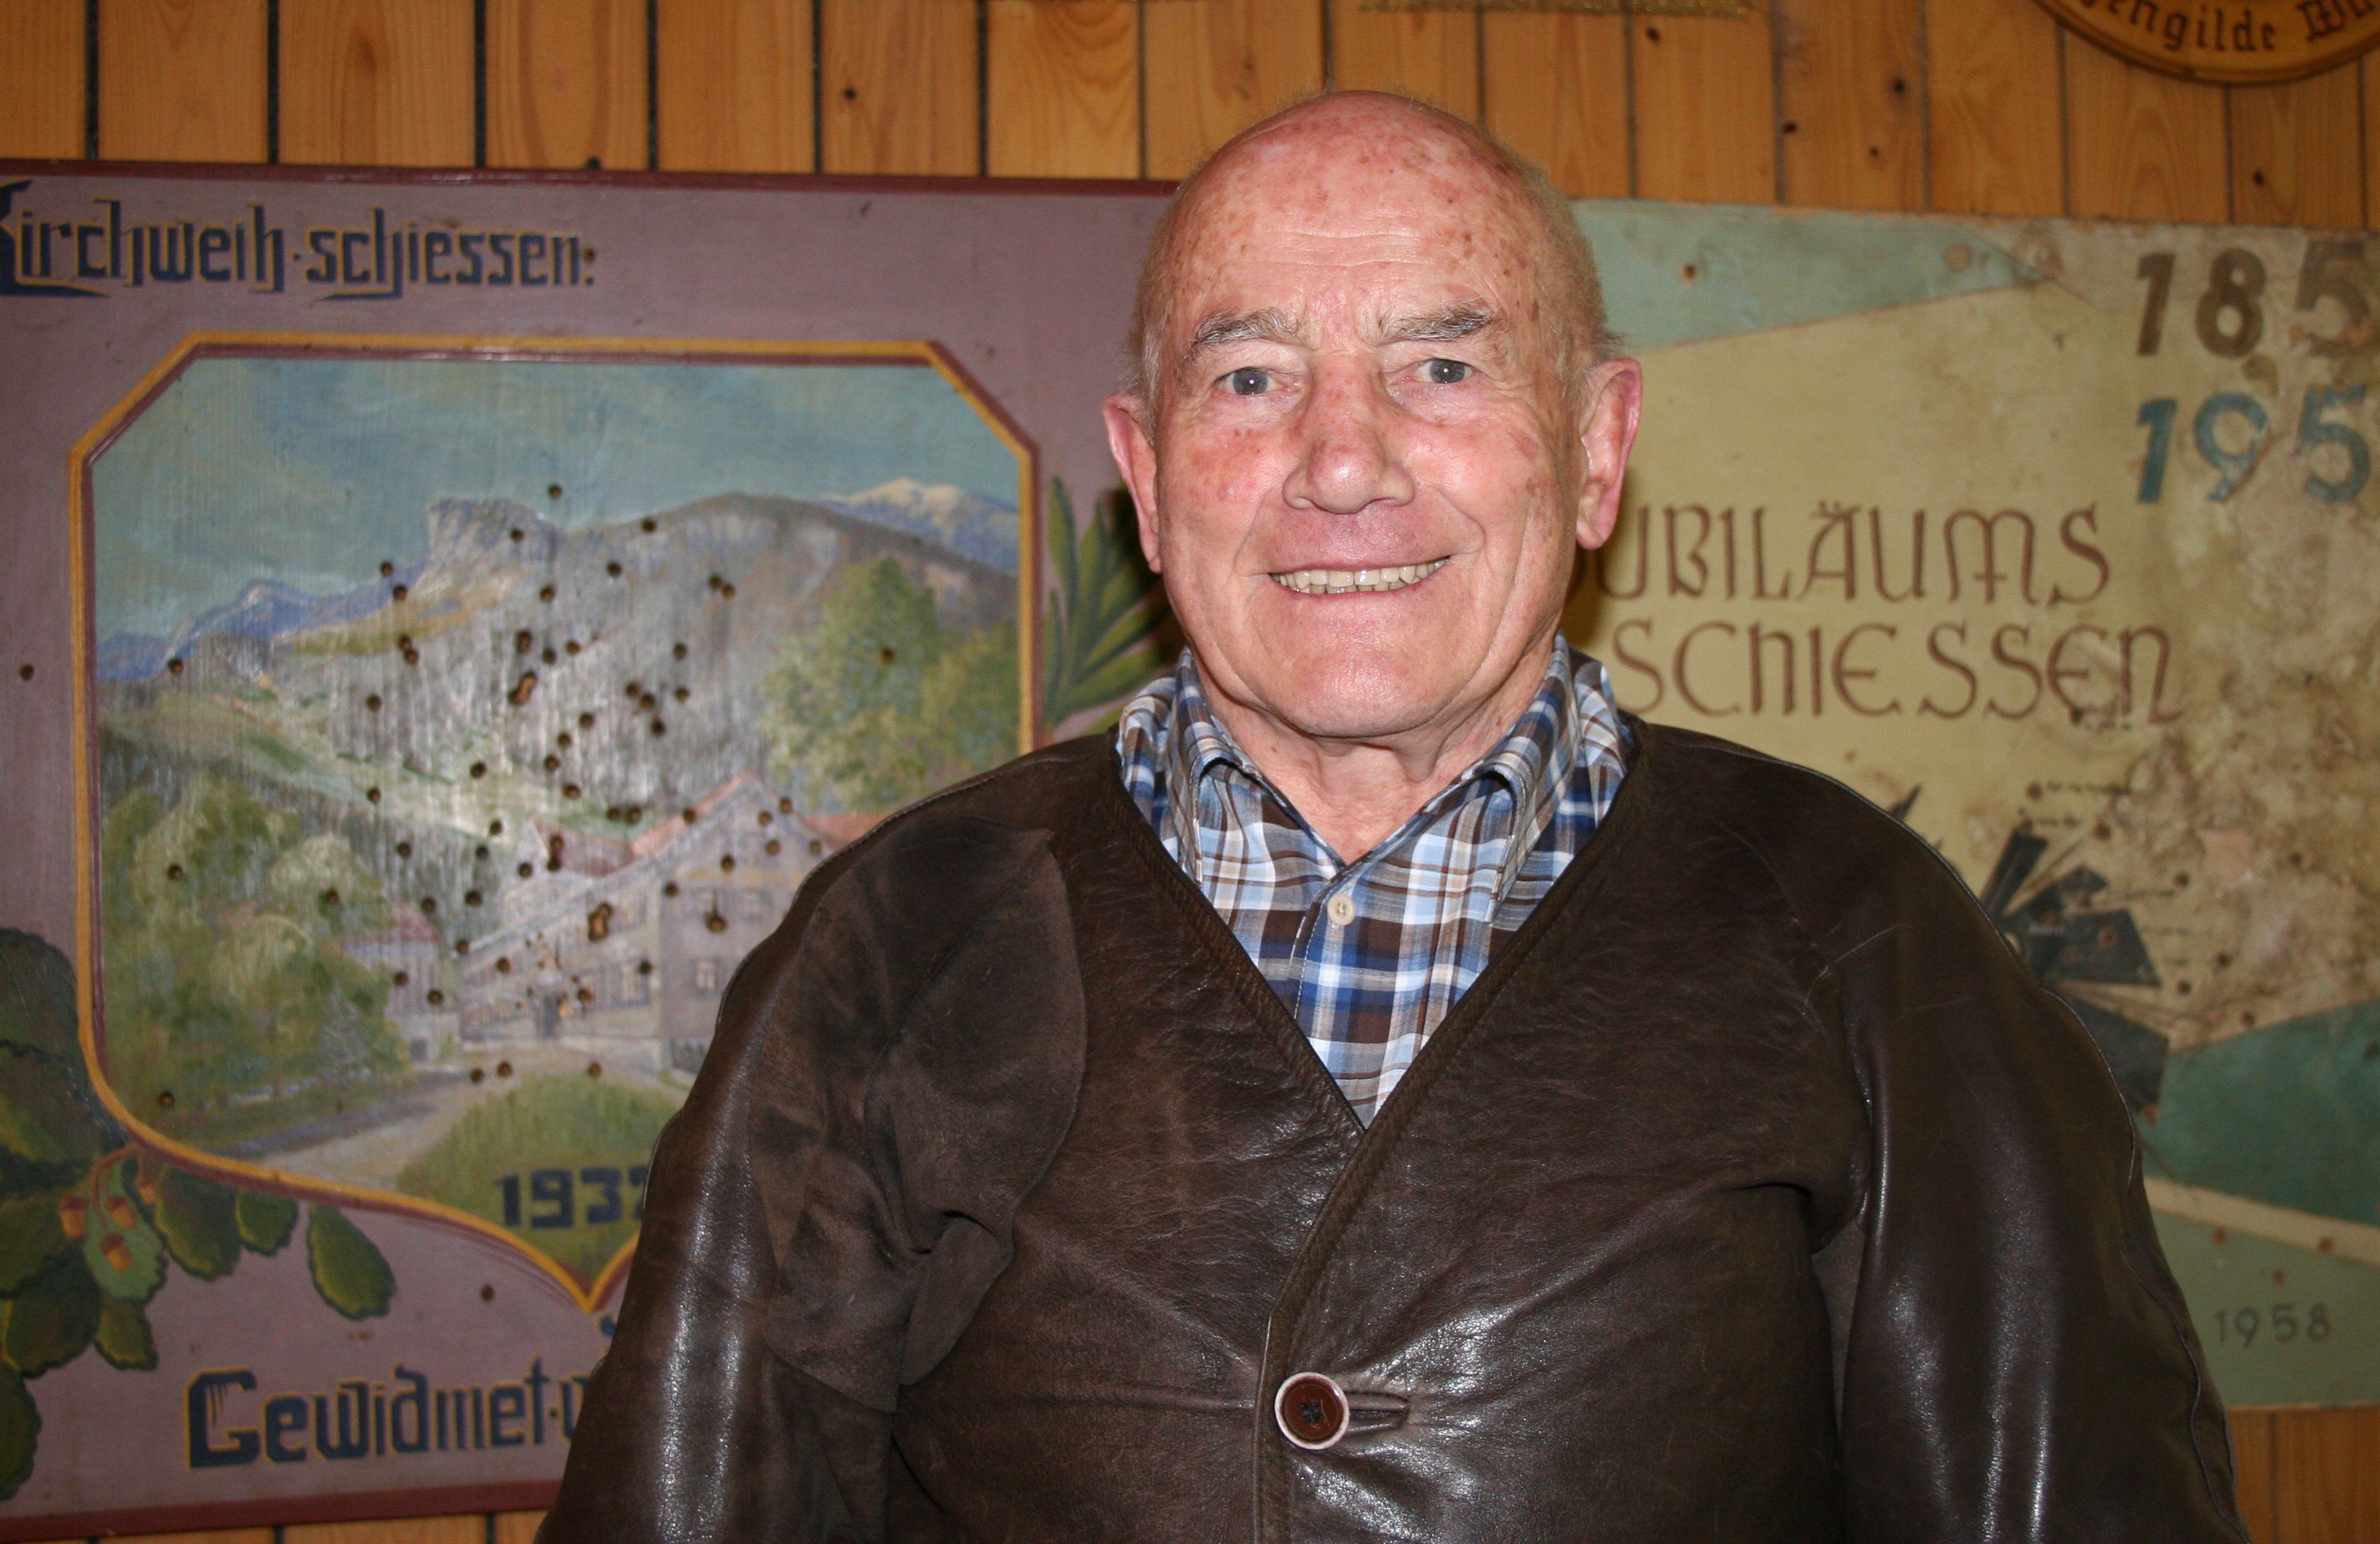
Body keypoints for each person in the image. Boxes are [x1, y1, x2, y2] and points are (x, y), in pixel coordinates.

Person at [542, 93, 2247, 1542]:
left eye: (1441, 364)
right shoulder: (894, 944)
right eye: (1250, 377)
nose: (1343, 462)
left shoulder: (1870, 939)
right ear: (1148, 478)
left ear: (1598, 449)